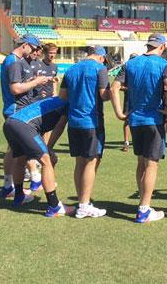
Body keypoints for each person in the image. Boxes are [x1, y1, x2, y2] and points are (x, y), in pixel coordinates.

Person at [110, 34, 167, 224]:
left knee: (141, 162)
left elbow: (114, 87)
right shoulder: (164, 65)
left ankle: (142, 203)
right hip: (154, 119)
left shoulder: (131, 63)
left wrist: (119, 113)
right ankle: (144, 209)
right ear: (162, 46)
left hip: (135, 120)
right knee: (152, 165)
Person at [59, 46, 112, 219]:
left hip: (74, 122)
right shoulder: (100, 69)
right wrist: (116, 90)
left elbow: (63, 96)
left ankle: (83, 201)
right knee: (91, 162)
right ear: (102, 57)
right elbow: (104, 95)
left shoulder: (71, 69)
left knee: (79, 162)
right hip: (92, 122)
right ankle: (83, 205)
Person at [2, 96, 75, 217]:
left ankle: (19, 196)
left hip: (10, 123)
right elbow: (60, 126)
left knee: (20, 160)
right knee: (46, 161)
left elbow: (38, 125)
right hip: (23, 125)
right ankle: (54, 206)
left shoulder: (56, 100)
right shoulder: (68, 102)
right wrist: (49, 148)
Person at [0, 35, 51, 198]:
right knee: (21, 150)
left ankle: (9, 185)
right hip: (16, 110)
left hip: (13, 109)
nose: (36, 52)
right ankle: (32, 181)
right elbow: (15, 89)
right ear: (26, 45)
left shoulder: (11, 60)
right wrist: (36, 82)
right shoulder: (14, 62)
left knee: (13, 150)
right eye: (35, 49)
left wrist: (34, 81)